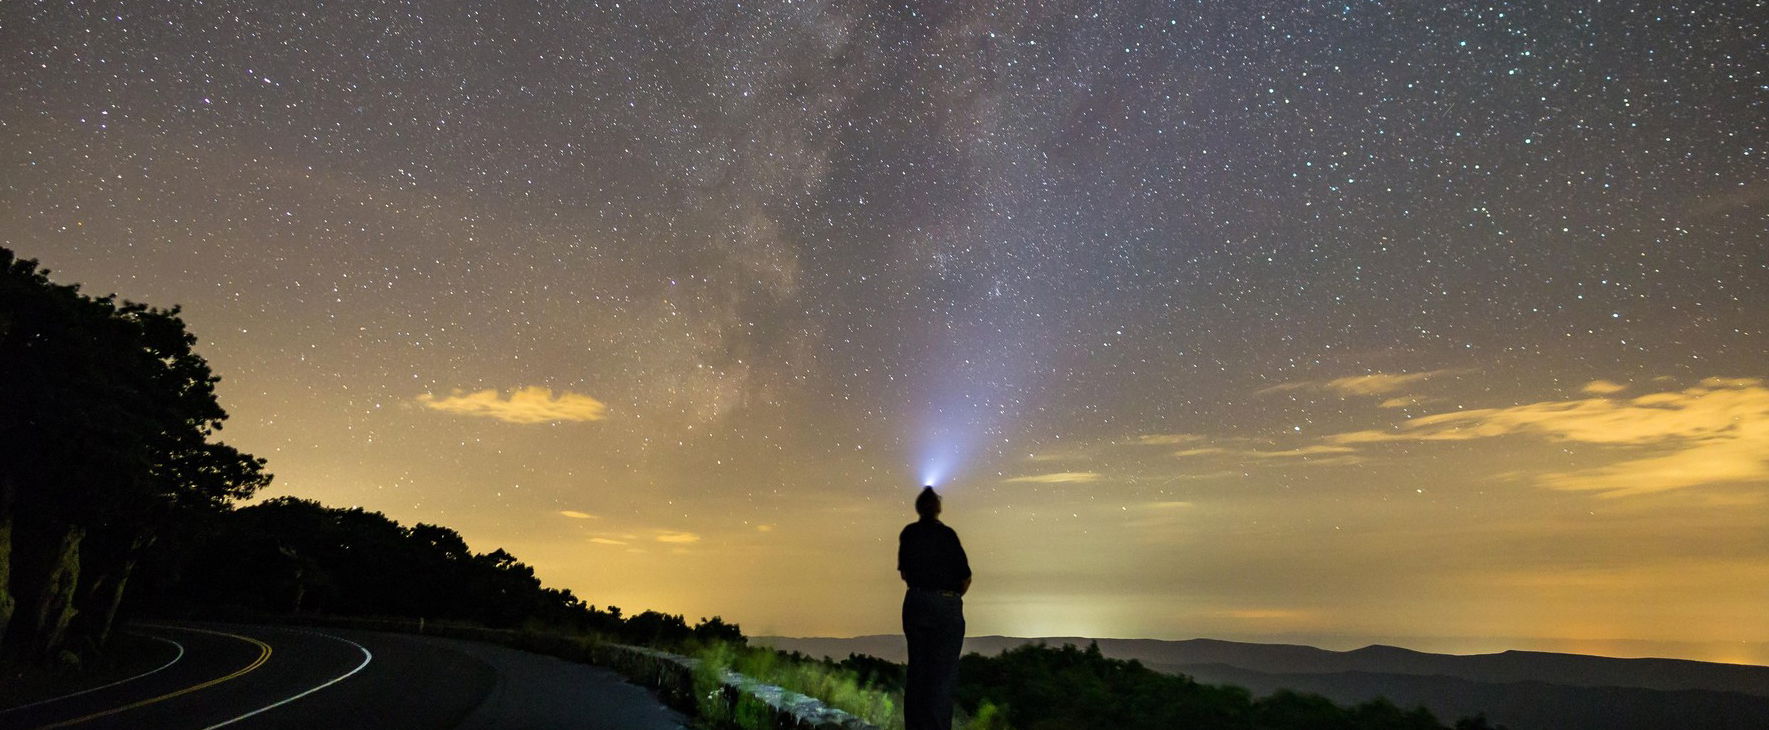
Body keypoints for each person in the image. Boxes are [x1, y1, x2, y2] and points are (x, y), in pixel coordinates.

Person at [898, 486, 971, 730]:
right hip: (945, 606)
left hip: (916, 602)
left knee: (917, 671)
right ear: (938, 508)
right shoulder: (947, 536)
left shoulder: (909, 534)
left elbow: (905, 574)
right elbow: (965, 578)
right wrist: (949, 598)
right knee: (942, 675)